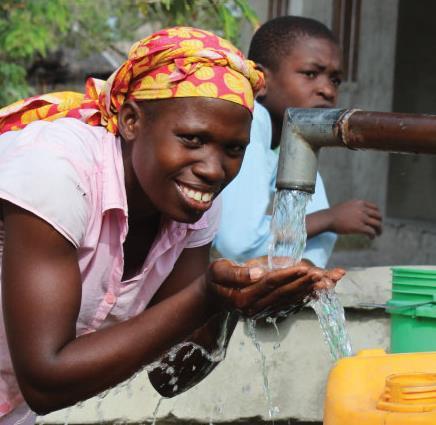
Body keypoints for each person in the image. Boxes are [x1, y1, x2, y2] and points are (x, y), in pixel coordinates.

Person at [0, 27, 345, 424]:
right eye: (192, 139)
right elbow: (45, 383)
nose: (214, 169)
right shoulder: (57, 172)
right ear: (131, 121)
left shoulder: (191, 205)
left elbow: (171, 376)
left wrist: (234, 300)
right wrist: (206, 297)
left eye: (234, 149)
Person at [214, 16, 383, 267]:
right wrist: (329, 219)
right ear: (261, 81)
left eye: (335, 80)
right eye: (311, 74)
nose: (327, 90)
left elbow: (305, 241)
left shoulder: (290, 138)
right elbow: (239, 243)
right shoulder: (248, 124)